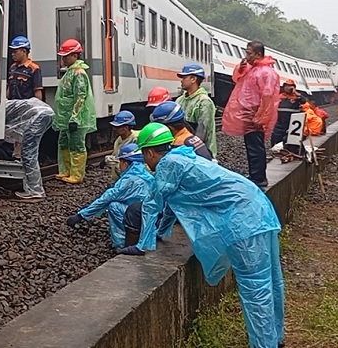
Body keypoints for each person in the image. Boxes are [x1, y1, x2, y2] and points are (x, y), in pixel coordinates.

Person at [118, 122, 285, 348]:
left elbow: (152, 204)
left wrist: (143, 244)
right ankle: (276, 337)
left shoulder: (166, 165)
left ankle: (265, 345)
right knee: (271, 279)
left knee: (254, 286)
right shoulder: (182, 156)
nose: (145, 163)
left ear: (149, 152)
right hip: (259, 209)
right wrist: (162, 231)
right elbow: (170, 202)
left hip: (243, 222)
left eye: (144, 156)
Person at [66, 143, 154, 248]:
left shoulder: (129, 180)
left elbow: (106, 198)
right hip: (152, 220)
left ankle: (123, 243)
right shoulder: (147, 175)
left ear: (125, 163)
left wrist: (81, 215)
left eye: (119, 162)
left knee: (114, 206)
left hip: (140, 219)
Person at [222, 41, 281, 187]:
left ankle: (259, 177)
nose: (246, 56)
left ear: (258, 54)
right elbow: (236, 78)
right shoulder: (251, 69)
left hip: (255, 113)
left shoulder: (267, 72)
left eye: (249, 53)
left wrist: (260, 116)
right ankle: (255, 174)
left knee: (256, 145)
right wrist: (241, 68)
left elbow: (267, 97)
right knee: (251, 145)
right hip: (249, 113)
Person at [52, 39, 97, 184]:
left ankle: (77, 175)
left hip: (75, 119)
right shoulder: (70, 72)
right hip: (66, 118)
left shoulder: (78, 73)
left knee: (76, 145)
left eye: (67, 56)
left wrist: (75, 118)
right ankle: (66, 170)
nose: (64, 59)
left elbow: (80, 97)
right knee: (63, 143)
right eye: (63, 56)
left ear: (75, 56)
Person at [4, 97, 55, 201]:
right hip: (45, 112)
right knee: (28, 152)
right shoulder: (8, 106)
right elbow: (18, 130)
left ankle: (35, 191)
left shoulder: (2, 110)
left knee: (28, 154)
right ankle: (33, 188)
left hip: (39, 115)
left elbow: (7, 131)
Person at [175, 64, 218, 158]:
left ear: (193, 79)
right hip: (184, 150)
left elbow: (202, 132)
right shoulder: (179, 100)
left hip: (201, 152)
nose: (181, 80)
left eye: (184, 77)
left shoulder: (204, 102)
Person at [101, 111, 139, 182]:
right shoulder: (119, 139)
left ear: (126, 128)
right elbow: (116, 154)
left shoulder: (135, 139)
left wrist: (108, 159)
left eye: (117, 127)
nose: (115, 129)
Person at [6, 35, 43, 101]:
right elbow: (9, 88)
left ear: (24, 52)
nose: (12, 54)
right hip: (13, 106)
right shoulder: (13, 67)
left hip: (27, 107)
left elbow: (37, 92)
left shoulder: (34, 69)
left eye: (15, 51)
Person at [270, 79, 305, 147]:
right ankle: (276, 147)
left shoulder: (297, 97)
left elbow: (304, 101)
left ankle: (290, 148)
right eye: (287, 86)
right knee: (277, 135)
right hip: (280, 120)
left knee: (291, 137)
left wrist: (297, 93)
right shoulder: (280, 96)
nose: (288, 88)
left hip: (292, 122)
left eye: (290, 86)